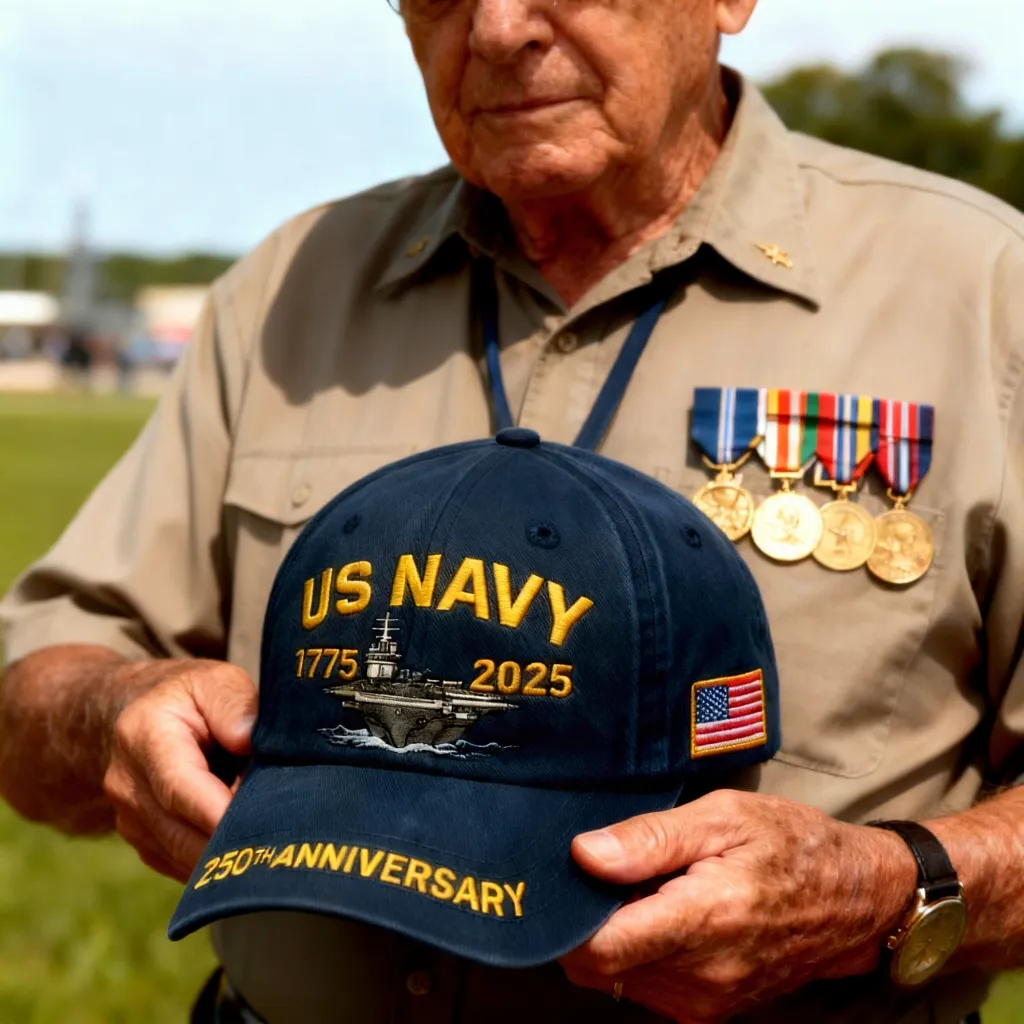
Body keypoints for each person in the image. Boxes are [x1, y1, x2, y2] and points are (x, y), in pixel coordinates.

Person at [0, 0, 1021, 1021]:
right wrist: (114, 709)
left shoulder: (978, 293)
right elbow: (33, 689)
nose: (495, 28)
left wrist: (882, 891)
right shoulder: (290, 290)